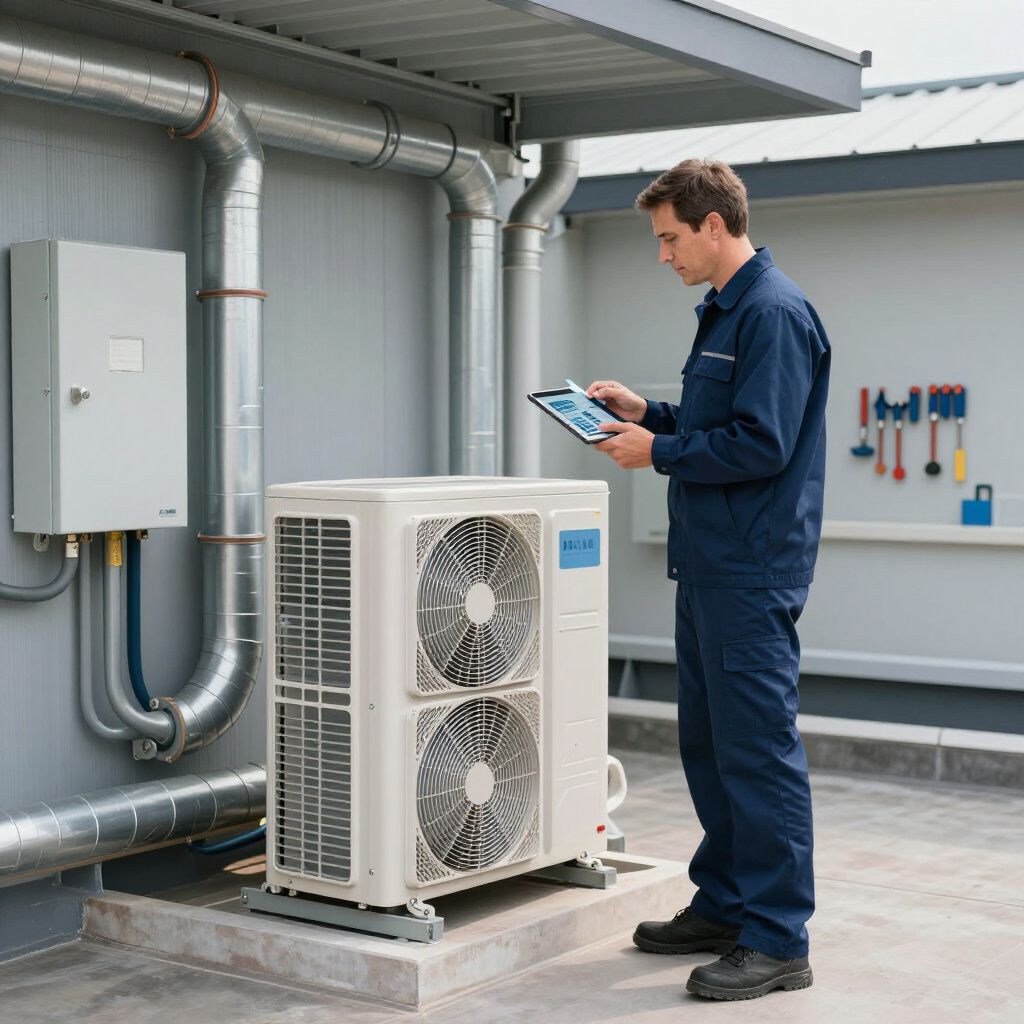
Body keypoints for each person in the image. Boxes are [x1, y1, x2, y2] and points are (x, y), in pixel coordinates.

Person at [587, 158, 829, 1002]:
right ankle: (727, 903)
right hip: (712, 566)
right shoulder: (727, 313)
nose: (664, 255)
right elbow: (721, 423)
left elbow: (763, 444)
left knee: (758, 753)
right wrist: (648, 415)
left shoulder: (774, 313)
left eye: (669, 238)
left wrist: (659, 454)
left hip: (751, 573)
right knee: (711, 747)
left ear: (713, 226)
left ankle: (777, 939)